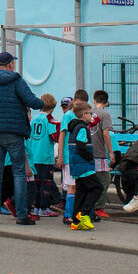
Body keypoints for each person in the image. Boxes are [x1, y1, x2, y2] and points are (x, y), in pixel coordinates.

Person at [0, 51, 44, 226]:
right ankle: (21, 215)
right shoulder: (16, 80)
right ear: (10, 64)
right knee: (19, 173)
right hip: (15, 133)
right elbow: (32, 101)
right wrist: (42, 103)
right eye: (13, 63)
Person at [65, 99, 103, 231]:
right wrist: (90, 158)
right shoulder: (82, 128)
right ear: (83, 115)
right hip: (84, 165)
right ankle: (84, 213)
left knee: (81, 191)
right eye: (89, 113)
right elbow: (81, 147)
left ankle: (75, 219)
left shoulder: (74, 127)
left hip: (76, 165)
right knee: (97, 187)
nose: (91, 116)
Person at [55, 90, 88, 223]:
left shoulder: (81, 116)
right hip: (69, 156)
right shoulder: (68, 115)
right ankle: (68, 215)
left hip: (77, 156)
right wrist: (60, 155)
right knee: (71, 185)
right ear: (74, 101)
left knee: (77, 185)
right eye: (79, 103)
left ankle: (75, 213)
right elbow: (62, 135)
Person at [26, 93, 60, 217]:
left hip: (34, 156)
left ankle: (36, 207)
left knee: (36, 183)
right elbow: (55, 137)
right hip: (45, 157)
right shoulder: (50, 120)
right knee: (46, 183)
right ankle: (44, 207)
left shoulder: (34, 119)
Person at [91, 89, 115, 219]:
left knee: (91, 179)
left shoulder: (89, 112)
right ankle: (98, 207)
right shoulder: (104, 114)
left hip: (88, 152)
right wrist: (110, 152)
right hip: (99, 152)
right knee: (105, 179)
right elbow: (106, 133)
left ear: (94, 100)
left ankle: (90, 205)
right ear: (106, 103)